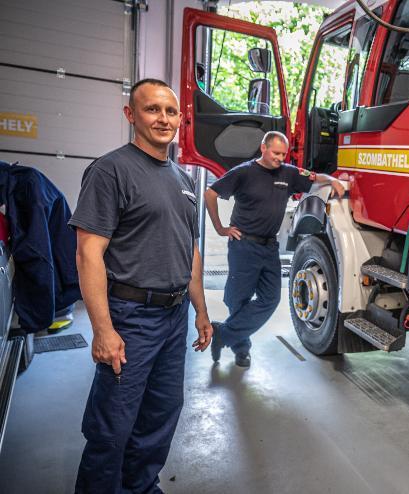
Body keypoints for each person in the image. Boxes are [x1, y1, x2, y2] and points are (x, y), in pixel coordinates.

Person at [70, 78, 213, 493]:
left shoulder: (184, 179)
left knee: (160, 414)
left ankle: (140, 486)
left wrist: (201, 311)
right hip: (131, 317)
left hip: (174, 316)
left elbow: (190, 251)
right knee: (113, 425)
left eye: (171, 111)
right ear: (130, 115)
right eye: (152, 109)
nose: (163, 119)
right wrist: (103, 330)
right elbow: (88, 254)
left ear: (180, 118)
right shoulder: (110, 170)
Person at [206, 131, 344, 367]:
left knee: (271, 299)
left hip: (269, 247)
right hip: (244, 246)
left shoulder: (288, 173)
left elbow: (314, 177)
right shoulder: (244, 172)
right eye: (276, 153)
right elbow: (211, 193)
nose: (280, 158)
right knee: (238, 300)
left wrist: (332, 180)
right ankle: (241, 349)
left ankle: (223, 334)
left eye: (283, 154)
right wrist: (220, 228)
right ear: (263, 148)